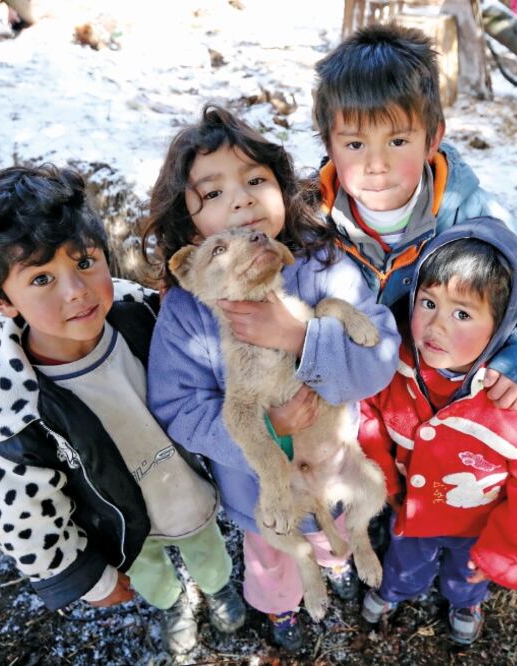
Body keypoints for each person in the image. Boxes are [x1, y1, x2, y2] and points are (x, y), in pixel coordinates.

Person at [0, 165, 245, 657]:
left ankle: (218, 590)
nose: (76, 291)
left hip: (192, 494)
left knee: (210, 553)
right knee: (153, 578)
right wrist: (88, 577)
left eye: (85, 262)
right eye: (42, 278)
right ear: (0, 299)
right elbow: (19, 511)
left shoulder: (146, 315)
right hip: (122, 531)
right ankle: (172, 605)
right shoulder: (8, 408)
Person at [142, 106, 401, 651]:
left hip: (334, 461)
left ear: (283, 191)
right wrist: (272, 427)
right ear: (191, 232)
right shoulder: (187, 310)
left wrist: (297, 337)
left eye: (256, 180)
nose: (240, 199)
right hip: (261, 485)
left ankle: (346, 553)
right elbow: (177, 406)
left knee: (344, 520)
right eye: (212, 194)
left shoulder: (327, 267)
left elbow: (379, 356)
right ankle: (281, 609)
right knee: (273, 554)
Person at [313, 23, 517, 413]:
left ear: (432, 139)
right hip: (352, 404)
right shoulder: (312, 220)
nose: (376, 165)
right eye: (354, 144)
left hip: (437, 402)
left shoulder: (467, 212)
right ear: (329, 144)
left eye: (398, 141)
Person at [356, 220, 517, 644]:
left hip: (478, 524)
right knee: (405, 559)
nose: (435, 325)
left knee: (468, 573)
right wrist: (382, 480)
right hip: (410, 509)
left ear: (502, 323)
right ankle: (394, 592)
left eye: (462, 313)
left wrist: (506, 554)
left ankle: (465, 601)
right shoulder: (395, 361)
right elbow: (367, 413)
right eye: (428, 303)